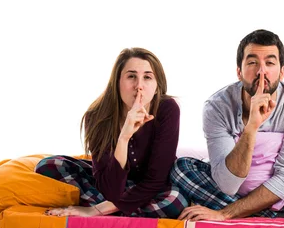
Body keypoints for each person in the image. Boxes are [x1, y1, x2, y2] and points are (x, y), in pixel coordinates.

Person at [171, 29, 284, 221]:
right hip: (234, 189)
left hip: (278, 187)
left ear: (281, 72)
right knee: (181, 168)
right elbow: (227, 185)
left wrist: (224, 213)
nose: (261, 71)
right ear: (239, 72)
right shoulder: (217, 106)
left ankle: (238, 212)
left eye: (270, 63)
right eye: (252, 62)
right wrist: (251, 127)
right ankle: (282, 215)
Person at [36, 48, 188, 218]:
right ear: (117, 82)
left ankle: (104, 209)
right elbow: (110, 189)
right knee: (48, 166)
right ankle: (123, 209)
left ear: (157, 84)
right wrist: (124, 136)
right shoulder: (97, 115)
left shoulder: (167, 109)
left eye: (147, 77)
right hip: (112, 184)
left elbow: (156, 180)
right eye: (131, 76)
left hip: (152, 188)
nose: (139, 86)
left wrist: (96, 210)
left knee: (174, 202)